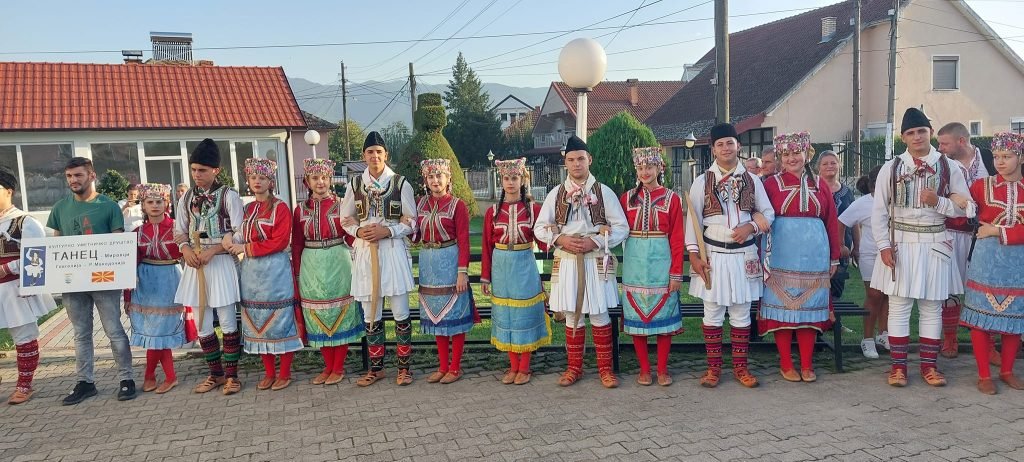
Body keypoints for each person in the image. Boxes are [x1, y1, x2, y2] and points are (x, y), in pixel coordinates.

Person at [872, 107, 972, 387]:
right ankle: (898, 368)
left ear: (930, 132)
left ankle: (929, 367)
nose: (917, 137)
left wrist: (939, 202)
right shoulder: (891, 168)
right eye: (911, 133)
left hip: (934, 243)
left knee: (931, 308)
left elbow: (966, 208)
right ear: (903, 137)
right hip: (900, 243)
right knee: (899, 307)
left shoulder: (949, 167)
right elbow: (879, 212)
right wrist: (883, 246)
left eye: (921, 131)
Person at [535, 135, 629, 388]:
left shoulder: (604, 192)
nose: (576, 164)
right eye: (571, 160)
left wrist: (595, 242)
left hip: (595, 260)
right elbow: (539, 228)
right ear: (565, 163)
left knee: (599, 313)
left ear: (590, 160)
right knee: (571, 315)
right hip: (567, 261)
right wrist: (560, 239)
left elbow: (622, 228)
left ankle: (605, 370)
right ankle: (573, 368)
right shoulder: (556, 194)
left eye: (580, 159)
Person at [686, 123, 775, 389]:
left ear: (739, 146)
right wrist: (694, 255)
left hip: (744, 254)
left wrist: (751, 227)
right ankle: (713, 369)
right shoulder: (702, 181)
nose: (726, 148)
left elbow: (768, 213)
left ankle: (740, 368)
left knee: (741, 312)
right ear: (713, 149)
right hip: (713, 255)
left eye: (730, 143)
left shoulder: (753, 180)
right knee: (712, 312)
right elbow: (692, 221)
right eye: (720, 144)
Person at [47, 157, 136, 404]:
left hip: (104, 280)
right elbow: (56, 245)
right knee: (80, 333)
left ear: (92, 176)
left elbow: (118, 244)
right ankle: (85, 382)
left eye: (78, 175)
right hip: (73, 282)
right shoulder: (60, 208)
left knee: (114, 330)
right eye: (69, 176)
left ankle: (126, 379)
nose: (73, 180)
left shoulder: (109, 206)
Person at [760, 132, 840, 382]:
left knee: (809, 311)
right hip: (781, 254)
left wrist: (834, 257)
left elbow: (831, 221)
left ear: (807, 154)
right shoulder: (770, 185)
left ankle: (807, 364)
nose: (792, 158)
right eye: (786, 154)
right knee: (782, 311)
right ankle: (786, 364)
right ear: (780, 157)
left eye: (797, 152)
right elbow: (759, 215)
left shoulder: (820, 184)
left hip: (814, 256)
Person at [340, 132, 417, 387]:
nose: (375, 156)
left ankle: (404, 369)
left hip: (392, 252)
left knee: (400, 311)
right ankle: (376, 368)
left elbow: (412, 221)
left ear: (386, 155)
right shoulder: (354, 185)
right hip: (365, 252)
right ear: (364, 156)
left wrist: (389, 231)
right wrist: (359, 231)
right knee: (370, 312)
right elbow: (345, 219)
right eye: (370, 152)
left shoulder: (400, 183)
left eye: (379, 152)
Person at [224, 158, 303, 391]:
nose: (257, 181)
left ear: (271, 181)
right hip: (251, 273)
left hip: (275, 270)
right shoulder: (248, 209)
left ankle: (285, 373)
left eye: (262, 178)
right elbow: (241, 233)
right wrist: (230, 238)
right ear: (248, 181)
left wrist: (245, 248)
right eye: (253, 177)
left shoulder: (280, 208)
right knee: (257, 320)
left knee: (280, 320)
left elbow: (280, 240)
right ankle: (269, 373)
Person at [174, 139, 245, 395]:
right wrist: (185, 250)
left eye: (202, 170)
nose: (197, 175)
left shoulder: (229, 196)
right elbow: (179, 231)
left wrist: (214, 250)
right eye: (194, 170)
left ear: (216, 170)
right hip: (196, 266)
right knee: (202, 323)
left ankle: (232, 376)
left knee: (227, 322)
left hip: (221, 263)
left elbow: (240, 231)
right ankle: (215, 374)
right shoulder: (186, 198)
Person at [960, 132, 1024, 394]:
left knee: (1015, 317)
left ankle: (1007, 371)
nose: (1000, 162)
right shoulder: (980, 186)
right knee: (981, 318)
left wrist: (997, 230)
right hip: (986, 260)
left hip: (1018, 261)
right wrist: (955, 203)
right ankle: (984, 374)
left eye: (1006, 156)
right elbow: (963, 217)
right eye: (996, 156)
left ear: (1020, 157)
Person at [292, 158, 362, 385]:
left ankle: (338, 367)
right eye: (315, 178)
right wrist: (297, 272)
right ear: (307, 181)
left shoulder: (342, 205)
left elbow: (352, 237)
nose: (320, 182)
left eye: (324, 177)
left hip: (338, 261)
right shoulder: (300, 210)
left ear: (330, 179)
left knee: (339, 312)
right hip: (311, 264)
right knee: (318, 313)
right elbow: (297, 243)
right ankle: (328, 366)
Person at [482, 158, 550, 385]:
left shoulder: (533, 210)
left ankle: (524, 367)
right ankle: (512, 366)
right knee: (507, 315)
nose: (510, 182)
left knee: (523, 315)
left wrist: (554, 230)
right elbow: (486, 246)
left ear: (522, 180)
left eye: (515, 177)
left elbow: (544, 243)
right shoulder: (492, 212)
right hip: (500, 265)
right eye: (506, 178)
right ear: (501, 180)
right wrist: (485, 277)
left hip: (524, 264)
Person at [620, 147, 684, 386]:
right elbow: (617, 229)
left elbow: (677, 238)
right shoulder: (626, 199)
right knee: (637, 320)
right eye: (640, 167)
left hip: (661, 262)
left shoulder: (672, 199)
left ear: (660, 168)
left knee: (663, 320)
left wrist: (676, 273)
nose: (644, 172)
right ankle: (644, 369)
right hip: (634, 264)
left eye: (649, 167)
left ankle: (662, 369)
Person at [412, 158, 475, 384]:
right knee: (436, 315)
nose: (435, 180)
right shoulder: (419, 204)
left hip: (450, 259)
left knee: (454, 314)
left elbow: (464, 240)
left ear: (448, 178)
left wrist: (462, 272)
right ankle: (442, 366)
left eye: (439, 175)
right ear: (425, 180)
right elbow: (415, 236)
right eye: (430, 176)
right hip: (428, 263)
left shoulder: (457, 205)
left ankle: (455, 367)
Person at [936, 122, 995, 359]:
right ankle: (950, 338)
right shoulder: (941, 164)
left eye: (944, 143)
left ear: (961, 141)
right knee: (949, 287)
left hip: (984, 234)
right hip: (952, 231)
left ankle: (988, 344)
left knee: (985, 289)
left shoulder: (989, 158)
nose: (940, 148)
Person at [0, 165, 56, 405]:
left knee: (24, 337)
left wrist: (6, 268)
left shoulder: (25, 222)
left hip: (15, 288)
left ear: (8, 191)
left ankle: (25, 385)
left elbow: (37, 256)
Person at [127, 183, 186, 394]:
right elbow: (129, 265)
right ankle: (159, 376)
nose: (154, 205)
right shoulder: (136, 233)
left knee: (160, 331)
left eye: (159, 201)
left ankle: (159, 376)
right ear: (143, 205)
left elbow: (189, 254)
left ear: (166, 203)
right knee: (153, 332)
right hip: (145, 284)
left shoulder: (178, 229)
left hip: (170, 280)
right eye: (149, 202)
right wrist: (127, 295)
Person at [838, 167, 890, 358]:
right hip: (871, 255)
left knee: (889, 295)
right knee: (874, 295)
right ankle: (867, 339)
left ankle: (884, 334)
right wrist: (841, 245)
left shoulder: (897, 200)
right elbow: (841, 221)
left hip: (893, 254)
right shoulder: (864, 203)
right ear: (874, 184)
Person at [817, 151, 855, 300]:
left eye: (833, 163)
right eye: (825, 163)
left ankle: (835, 316)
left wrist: (856, 247)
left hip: (841, 248)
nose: (829, 166)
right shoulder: (813, 189)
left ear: (839, 165)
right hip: (817, 247)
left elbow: (854, 221)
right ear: (818, 167)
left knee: (836, 292)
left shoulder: (847, 192)